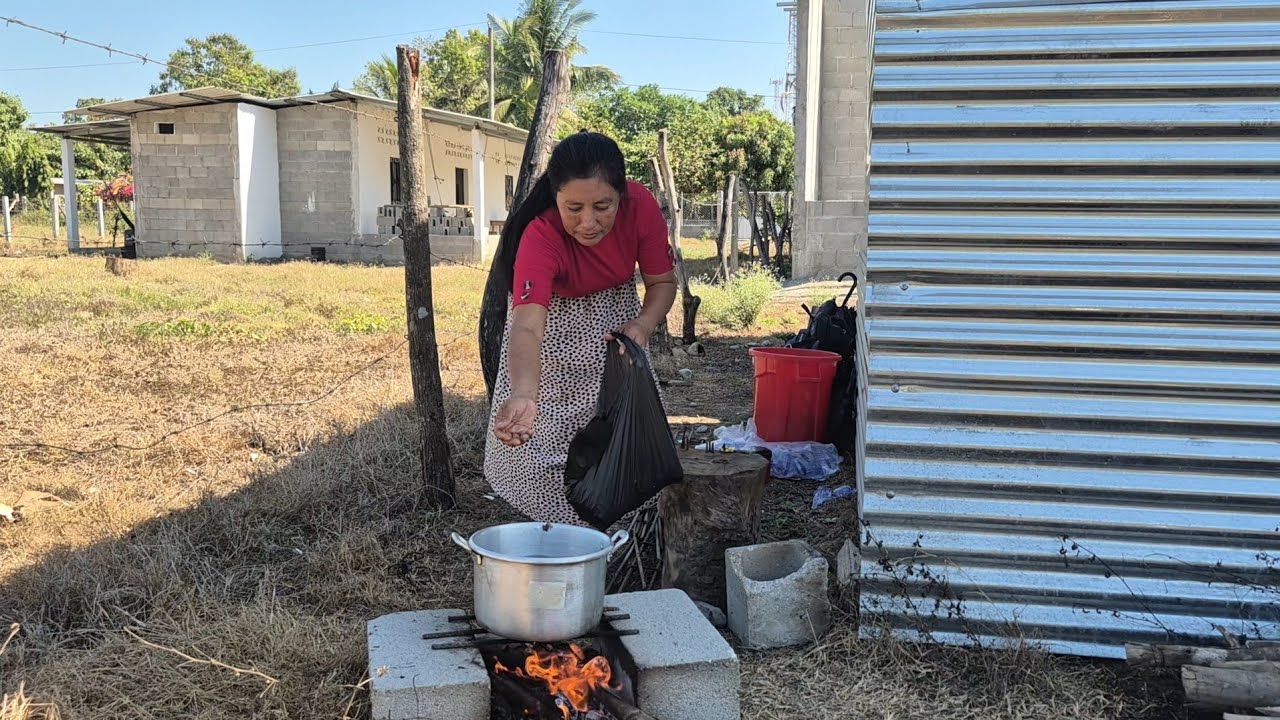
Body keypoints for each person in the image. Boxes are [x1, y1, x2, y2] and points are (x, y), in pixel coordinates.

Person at [484, 131, 678, 526]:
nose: (588, 222)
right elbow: (527, 328)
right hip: (549, 334)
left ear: (622, 195)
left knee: (616, 435)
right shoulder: (540, 235)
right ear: (555, 197)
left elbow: (662, 283)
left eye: (603, 206)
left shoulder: (641, 207)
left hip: (615, 325)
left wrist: (642, 325)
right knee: (548, 443)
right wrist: (524, 394)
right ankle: (556, 534)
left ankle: (617, 530)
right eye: (573, 208)